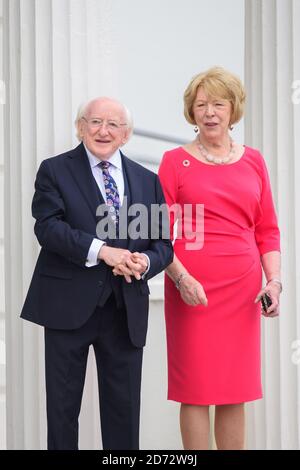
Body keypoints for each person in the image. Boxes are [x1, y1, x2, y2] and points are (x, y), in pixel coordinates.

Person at [21, 97, 173, 450]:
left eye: (113, 125)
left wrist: (145, 262)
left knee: (124, 414)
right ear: (80, 127)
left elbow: (163, 243)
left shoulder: (147, 180)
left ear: (126, 134)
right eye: (95, 122)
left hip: (125, 310)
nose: (103, 131)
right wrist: (103, 252)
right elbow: (48, 228)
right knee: (62, 412)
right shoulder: (54, 170)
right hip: (66, 306)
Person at [158, 67, 281, 450]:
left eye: (218, 104)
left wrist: (273, 281)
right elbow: (160, 233)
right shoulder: (174, 161)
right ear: (191, 112)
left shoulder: (254, 161)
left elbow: (268, 228)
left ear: (233, 110)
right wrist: (181, 278)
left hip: (243, 288)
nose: (209, 112)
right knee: (194, 387)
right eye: (201, 105)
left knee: (234, 386)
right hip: (190, 284)